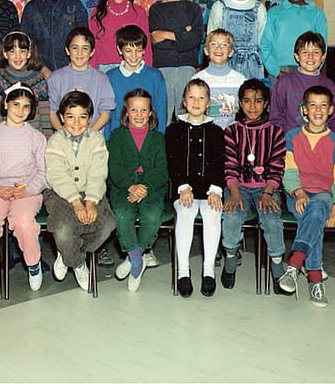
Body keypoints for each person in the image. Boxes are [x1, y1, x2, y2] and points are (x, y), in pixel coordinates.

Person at [277, 86, 335, 308]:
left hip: (324, 195)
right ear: (304, 110)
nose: (318, 110)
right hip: (296, 193)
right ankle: (315, 279)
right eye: (312, 105)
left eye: (323, 105)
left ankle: (294, 264)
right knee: (315, 219)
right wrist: (298, 192)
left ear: (330, 110)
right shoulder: (292, 137)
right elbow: (289, 172)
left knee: (318, 209)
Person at [0, 83, 47, 292]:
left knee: (23, 222)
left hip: (26, 191)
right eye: (16, 104)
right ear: (5, 104)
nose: (20, 110)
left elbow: (43, 172)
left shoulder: (36, 137)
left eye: (26, 106)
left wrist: (28, 190)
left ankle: (33, 264)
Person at [221, 79, 288, 294]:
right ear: (240, 103)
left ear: (266, 104)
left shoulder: (276, 132)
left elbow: (277, 166)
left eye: (258, 101)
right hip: (237, 187)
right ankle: (230, 259)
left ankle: (277, 269)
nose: (252, 106)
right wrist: (234, 193)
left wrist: (268, 192)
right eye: (247, 101)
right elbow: (229, 166)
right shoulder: (231, 131)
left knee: (271, 219)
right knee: (232, 216)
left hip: (266, 188)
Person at [44, 91, 116, 291]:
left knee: (107, 224)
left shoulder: (96, 139)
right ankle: (76, 262)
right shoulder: (55, 141)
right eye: (70, 117)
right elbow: (56, 175)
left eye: (82, 117)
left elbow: (98, 173)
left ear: (90, 118)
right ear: (61, 117)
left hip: (91, 191)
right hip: (60, 193)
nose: (76, 123)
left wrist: (91, 201)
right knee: (63, 229)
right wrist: (76, 202)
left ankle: (67, 253)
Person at [165, 79, 225, 298]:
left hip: (209, 190)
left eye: (201, 98)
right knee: (186, 212)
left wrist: (215, 190)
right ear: (184, 101)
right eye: (191, 97)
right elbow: (174, 163)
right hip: (184, 189)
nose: (196, 102)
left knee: (212, 213)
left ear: (208, 103)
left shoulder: (217, 132)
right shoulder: (174, 130)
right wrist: (183, 187)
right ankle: (183, 271)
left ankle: (208, 270)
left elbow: (220, 163)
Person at [107, 89, 168, 291]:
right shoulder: (117, 136)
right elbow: (114, 167)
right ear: (126, 112)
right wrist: (130, 186)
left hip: (152, 187)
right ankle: (137, 259)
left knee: (151, 215)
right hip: (123, 186)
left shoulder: (158, 138)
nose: (139, 115)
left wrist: (145, 187)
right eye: (134, 110)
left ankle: (135, 257)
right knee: (122, 215)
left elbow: (162, 169)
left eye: (144, 110)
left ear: (150, 113)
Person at [149, 0, 204, 123]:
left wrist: (166, 34)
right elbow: (157, 41)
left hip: (187, 67)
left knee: (187, 115)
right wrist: (183, 32)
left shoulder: (193, 9)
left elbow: (195, 39)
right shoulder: (156, 9)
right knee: (162, 114)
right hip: (163, 67)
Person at [21, 0, 88, 72]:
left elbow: (84, 42)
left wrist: (72, 68)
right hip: (38, 72)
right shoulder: (31, 8)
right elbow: (25, 43)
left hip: (71, 70)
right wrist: (41, 68)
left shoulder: (76, 6)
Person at [260, 0, 328, 79]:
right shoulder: (274, 12)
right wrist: (276, 71)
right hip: (279, 70)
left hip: (308, 69)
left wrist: (312, 70)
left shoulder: (317, 14)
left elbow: (323, 47)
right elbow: (265, 45)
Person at [270, 31, 335, 135]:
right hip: (290, 141)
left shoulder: (328, 85)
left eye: (316, 52)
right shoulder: (284, 82)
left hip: (321, 141)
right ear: (297, 56)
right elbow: (276, 118)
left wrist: (329, 140)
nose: (310, 57)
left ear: (323, 56)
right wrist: (282, 140)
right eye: (305, 52)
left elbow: (334, 120)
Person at [207, 0, 267, 80]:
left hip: (252, 66)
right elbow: (211, 39)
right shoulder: (219, 7)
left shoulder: (259, 8)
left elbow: (261, 41)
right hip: (224, 62)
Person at [0, 30, 51, 137]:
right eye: (12, 51)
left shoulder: (38, 79)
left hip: (33, 137)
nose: (17, 56)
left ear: (29, 53)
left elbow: (45, 113)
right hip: (6, 137)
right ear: (5, 54)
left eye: (22, 51)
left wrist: (47, 138)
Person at [48, 27, 115, 133]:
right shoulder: (56, 78)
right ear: (67, 50)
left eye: (85, 48)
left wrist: (89, 134)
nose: (80, 53)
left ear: (92, 52)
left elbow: (105, 113)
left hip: (92, 134)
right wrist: (63, 134)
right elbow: (52, 112)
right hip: (65, 135)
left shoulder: (101, 78)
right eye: (75, 48)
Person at [105, 25, 167, 137]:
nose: (134, 56)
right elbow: (106, 114)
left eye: (138, 50)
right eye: (128, 51)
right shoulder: (110, 77)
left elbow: (161, 111)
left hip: (148, 137)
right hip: (118, 138)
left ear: (144, 50)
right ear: (119, 50)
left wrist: (158, 138)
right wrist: (108, 140)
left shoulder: (155, 76)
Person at [88, 0, 151, 73]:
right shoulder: (97, 13)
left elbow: (146, 45)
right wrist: (91, 72)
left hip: (133, 66)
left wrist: (146, 71)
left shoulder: (139, 12)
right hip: (103, 69)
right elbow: (92, 44)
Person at [193, 29, 246, 129]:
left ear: (231, 52)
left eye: (224, 45)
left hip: (233, 133)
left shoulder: (240, 80)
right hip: (207, 132)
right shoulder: (197, 79)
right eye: (214, 44)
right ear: (206, 50)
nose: (218, 48)